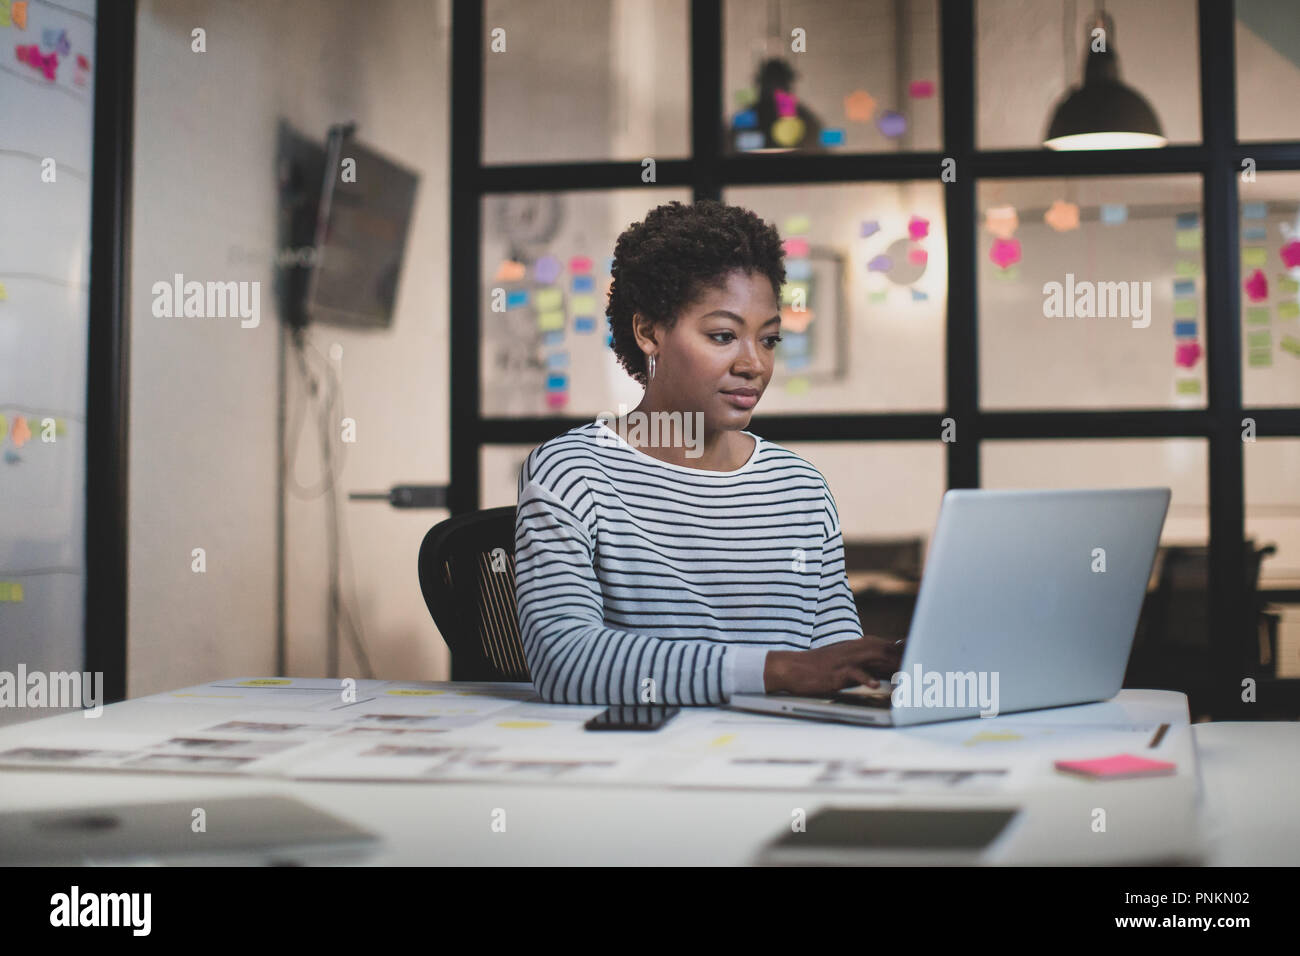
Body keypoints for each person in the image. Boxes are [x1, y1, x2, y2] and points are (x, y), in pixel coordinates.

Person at [514, 199, 902, 705]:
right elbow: (566, 661)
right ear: (648, 331)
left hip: (788, 763)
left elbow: (834, 656)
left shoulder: (799, 486)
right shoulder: (573, 474)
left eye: (769, 341)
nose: (753, 364)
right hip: (638, 767)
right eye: (723, 336)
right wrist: (778, 669)